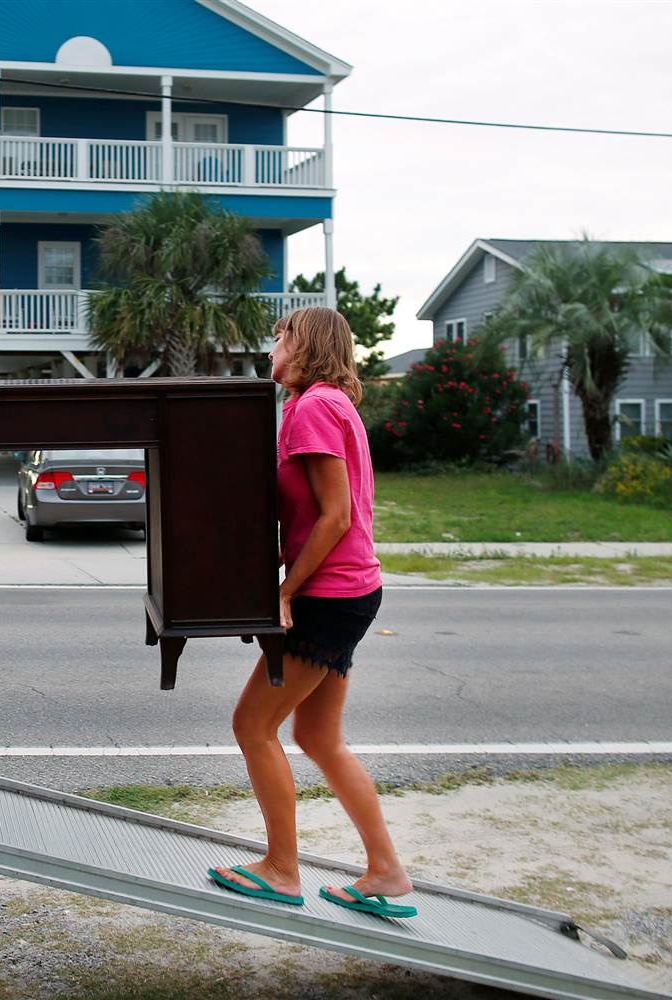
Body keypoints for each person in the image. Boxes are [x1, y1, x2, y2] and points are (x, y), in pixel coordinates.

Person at [207, 306, 416, 919]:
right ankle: (386, 872)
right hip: (350, 589)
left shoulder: (313, 407)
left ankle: (281, 869)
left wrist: (285, 592)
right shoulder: (326, 404)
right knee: (318, 736)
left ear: (308, 346)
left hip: (329, 596)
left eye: (280, 337)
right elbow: (312, 516)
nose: (271, 347)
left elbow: (337, 515)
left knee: (252, 725)